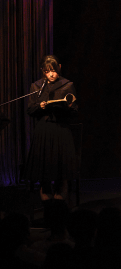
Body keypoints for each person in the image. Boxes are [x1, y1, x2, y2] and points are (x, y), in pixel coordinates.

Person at [22, 55, 78, 202]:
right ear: (43, 71)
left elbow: (75, 111)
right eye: (47, 71)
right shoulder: (36, 86)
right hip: (44, 131)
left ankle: (60, 202)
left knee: (62, 172)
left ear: (59, 68)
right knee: (44, 173)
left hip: (61, 130)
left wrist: (67, 107)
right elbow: (30, 110)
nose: (51, 74)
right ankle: (47, 203)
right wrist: (39, 107)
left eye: (53, 70)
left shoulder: (67, 85)